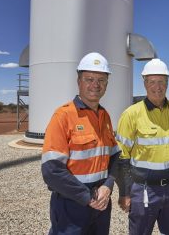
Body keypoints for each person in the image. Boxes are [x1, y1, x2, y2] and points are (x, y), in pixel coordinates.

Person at [41, 52, 120, 234]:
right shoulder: (63, 116)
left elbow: (115, 156)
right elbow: (51, 171)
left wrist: (107, 186)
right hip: (72, 204)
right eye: (89, 79)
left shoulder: (104, 115)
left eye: (101, 80)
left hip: (101, 201)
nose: (95, 85)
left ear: (107, 84)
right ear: (79, 81)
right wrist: (87, 197)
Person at [115, 58, 169, 235]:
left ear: (167, 83)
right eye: (152, 81)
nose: (157, 86)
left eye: (161, 81)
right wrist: (125, 192)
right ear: (144, 83)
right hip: (143, 189)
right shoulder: (131, 114)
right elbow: (121, 158)